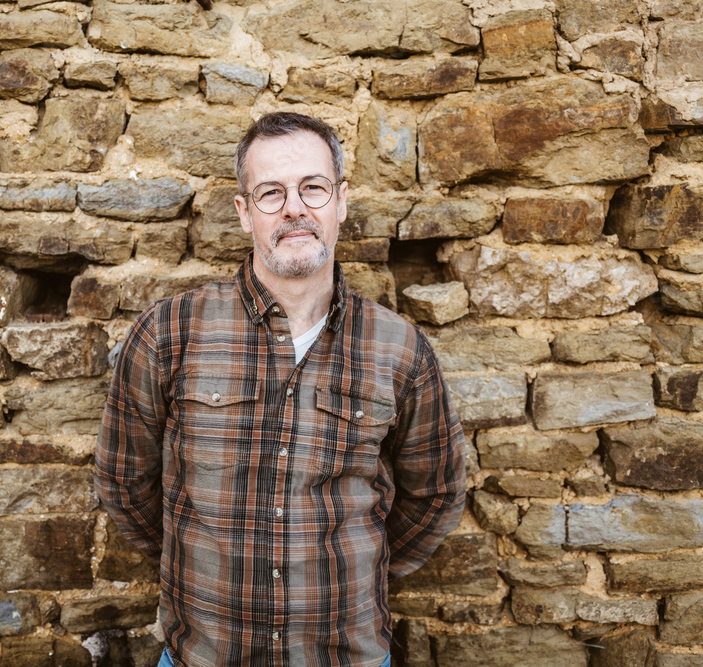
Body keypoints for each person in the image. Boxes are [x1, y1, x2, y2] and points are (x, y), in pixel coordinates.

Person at [95, 112, 467, 667]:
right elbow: (124, 482)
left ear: (340, 201)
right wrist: (193, 563)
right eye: (271, 193)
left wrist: (354, 573)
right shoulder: (171, 332)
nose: (295, 208)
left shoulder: (399, 348)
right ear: (245, 213)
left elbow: (435, 493)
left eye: (312, 188)